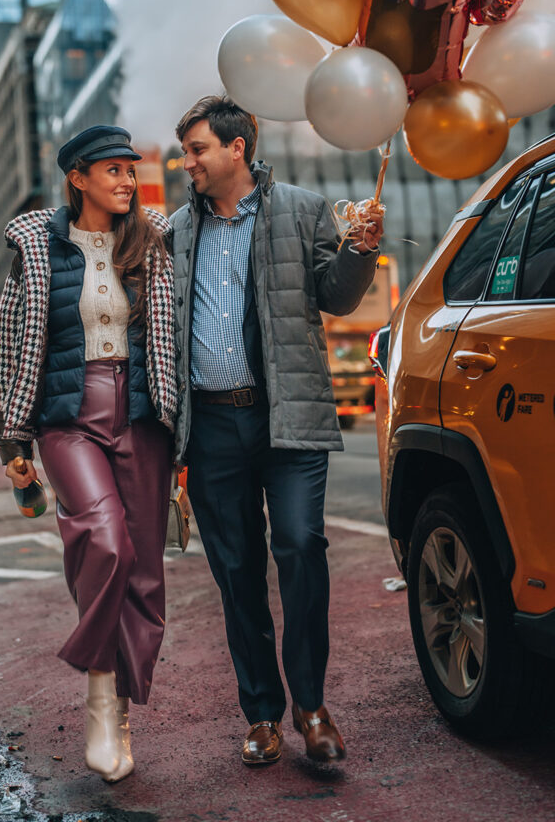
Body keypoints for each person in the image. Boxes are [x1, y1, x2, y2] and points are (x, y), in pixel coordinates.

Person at [171, 96, 384, 767]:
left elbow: (338, 296)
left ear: (237, 147)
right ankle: (262, 713)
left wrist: (360, 252)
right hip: (209, 425)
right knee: (235, 574)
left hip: (287, 414)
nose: (188, 164)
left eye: (197, 149)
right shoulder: (174, 230)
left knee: (299, 547)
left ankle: (312, 707)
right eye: (185, 152)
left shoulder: (301, 208)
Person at [0, 125, 176, 783]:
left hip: (141, 415)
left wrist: (180, 429)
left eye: (131, 171)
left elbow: (170, 335)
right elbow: (11, 340)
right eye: (113, 171)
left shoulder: (152, 244)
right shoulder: (37, 249)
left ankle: (121, 706)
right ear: (78, 176)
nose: (127, 182)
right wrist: (12, 437)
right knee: (106, 544)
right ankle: (101, 697)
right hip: (67, 418)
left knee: (145, 573)